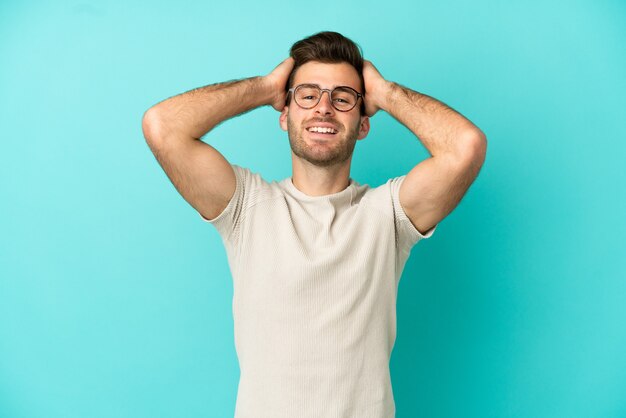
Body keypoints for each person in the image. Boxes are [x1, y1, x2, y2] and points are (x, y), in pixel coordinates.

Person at [142, 31, 486, 418]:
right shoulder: (247, 205)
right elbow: (162, 126)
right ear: (285, 114)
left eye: (342, 98)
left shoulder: (387, 214)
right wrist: (266, 87)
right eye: (307, 95)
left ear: (363, 123)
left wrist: (385, 92)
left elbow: (465, 147)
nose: (324, 108)